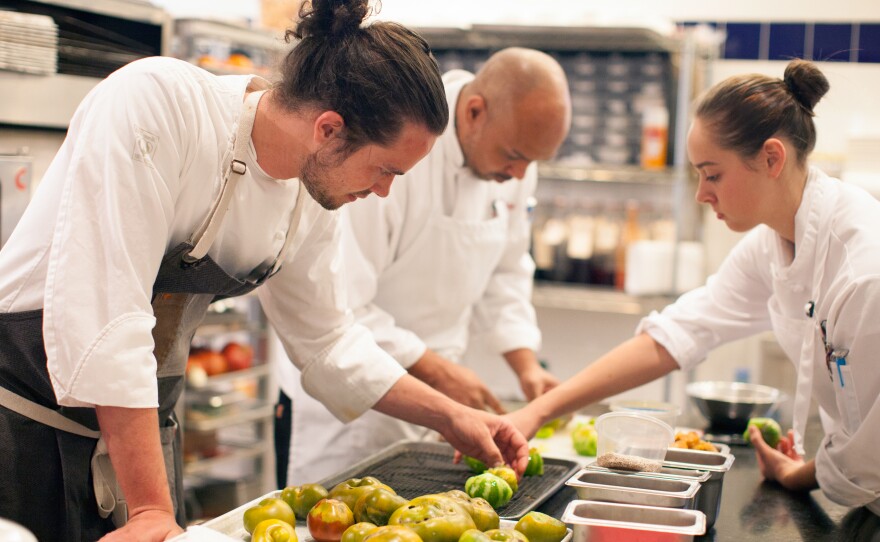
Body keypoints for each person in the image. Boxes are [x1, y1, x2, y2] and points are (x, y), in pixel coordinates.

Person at [0, 2, 530, 541]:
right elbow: (106, 315)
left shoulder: (310, 193)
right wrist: (152, 511)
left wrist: (448, 416)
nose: (383, 191)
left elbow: (329, 341)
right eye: (386, 169)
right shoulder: (158, 104)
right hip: (25, 433)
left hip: (140, 439)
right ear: (328, 129)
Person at [508, 59, 880, 515]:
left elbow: (872, 456)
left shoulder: (863, 268)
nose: (702, 194)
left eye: (712, 174)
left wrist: (794, 474)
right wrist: (537, 412)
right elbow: (677, 333)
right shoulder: (772, 243)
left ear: (771, 158)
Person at [275, 47, 571, 485]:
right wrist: (436, 371)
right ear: (474, 111)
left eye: (532, 162)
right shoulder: (394, 151)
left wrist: (526, 367)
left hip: (443, 402)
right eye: (515, 155)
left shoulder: (515, 157)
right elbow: (345, 306)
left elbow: (506, 271)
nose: (521, 172)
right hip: (352, 403)